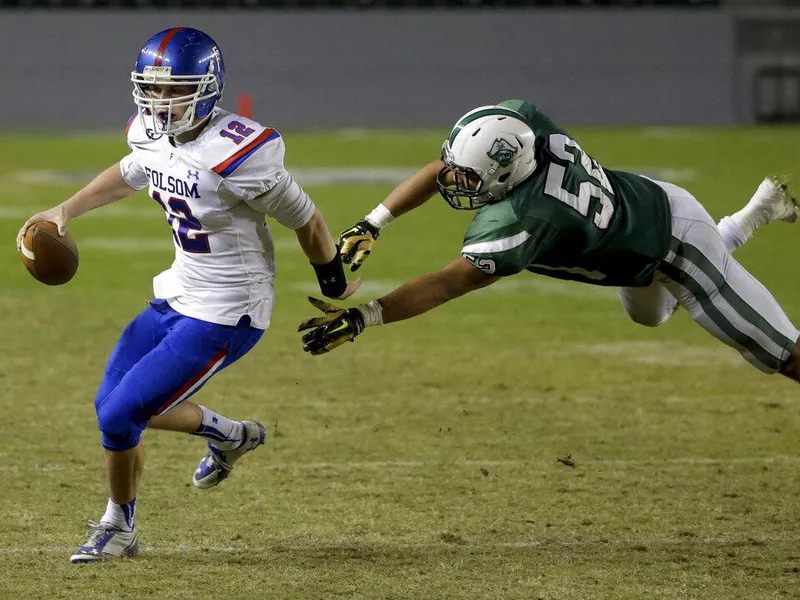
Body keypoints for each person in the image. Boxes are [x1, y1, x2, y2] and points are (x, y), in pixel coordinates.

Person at [16, 27, 359, 564]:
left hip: (229, 309)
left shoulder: (240, 153)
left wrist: (333, 280)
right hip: (178, 292)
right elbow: (131, 172)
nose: (161, 101)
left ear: (207, 87)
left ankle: (120, 526)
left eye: (175, 89)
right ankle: (228, 436)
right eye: (152, 89)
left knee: (120, 415)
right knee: (113, 409)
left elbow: (307, 220)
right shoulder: (150, 135)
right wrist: (66, 209)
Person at [299, 99, 800, 384]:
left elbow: (450, 283)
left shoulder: (528, 217)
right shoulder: (521, 128)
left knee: (780, 353)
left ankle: (741, 225)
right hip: (646, 220)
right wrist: (374, 221)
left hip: (676, 245)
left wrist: (365, 316)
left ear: (507, 176)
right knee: (651, 314)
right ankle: (744, 219)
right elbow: (449, 168)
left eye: (472, 181)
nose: (456, 185)